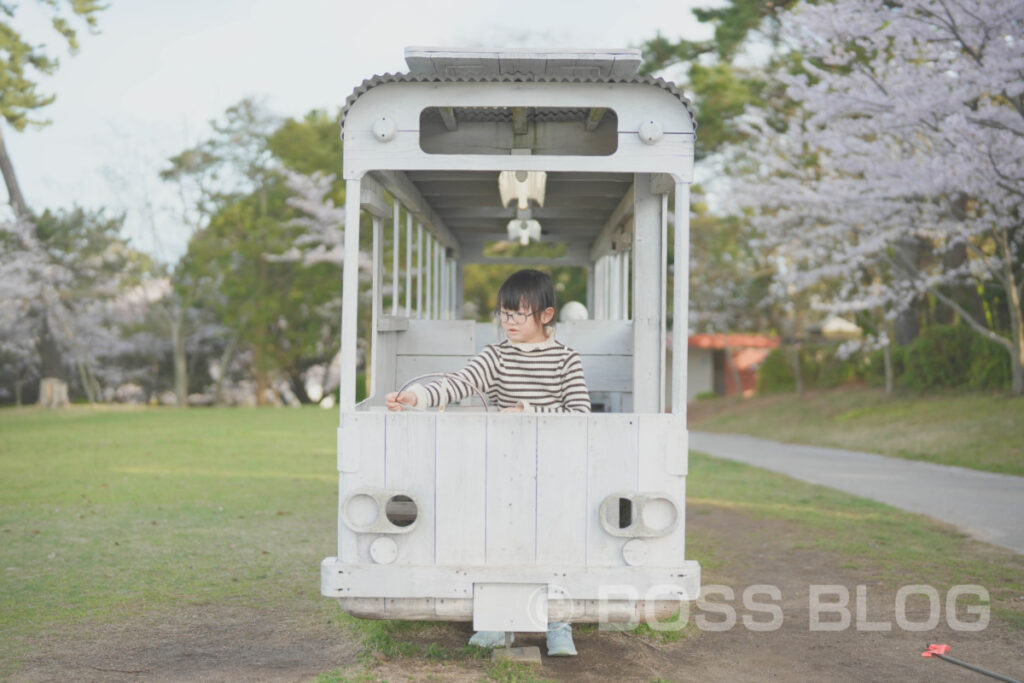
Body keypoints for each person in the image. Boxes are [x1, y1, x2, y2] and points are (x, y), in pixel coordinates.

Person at [385, 268, 589, 656]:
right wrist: (415, 397)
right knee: (498, 539)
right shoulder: (496, 355)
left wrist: (527, 409)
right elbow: (459, 382)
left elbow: (579, 411)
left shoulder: (567, 360)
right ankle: (497, 621)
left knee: (554, 543)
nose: (508, 322)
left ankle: (558, 624)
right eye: (503, 314)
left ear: (545, 316)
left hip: (555, 469)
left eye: (518, 314)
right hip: (503, 466)